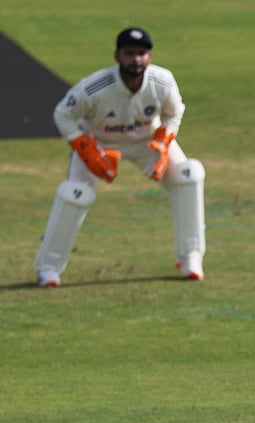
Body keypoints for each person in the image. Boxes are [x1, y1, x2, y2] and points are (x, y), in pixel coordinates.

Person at [35, 27, 206, 287]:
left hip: (146, 141)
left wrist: (163, 140)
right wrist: (85, 148)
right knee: (75, 193)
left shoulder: (163, 82)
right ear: (117, 55)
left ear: (149, 56)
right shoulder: (94, 88)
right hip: (99, 143)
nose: (136, 59)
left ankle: (191, 256)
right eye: (129, 53)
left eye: (141, 53)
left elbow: (174, 112)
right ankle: (48, 267)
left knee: (187, 175)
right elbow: (63, 114)